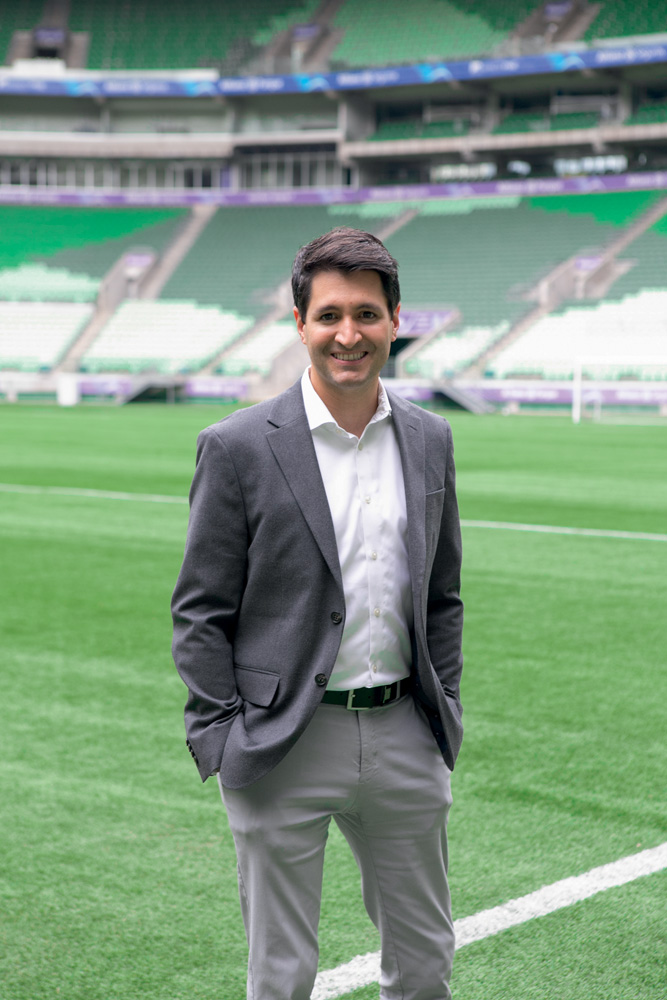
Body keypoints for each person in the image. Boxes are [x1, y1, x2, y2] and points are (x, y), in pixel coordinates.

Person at [171, 226, 464, 1000]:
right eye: (329, 315)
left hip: (404, 733)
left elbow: (442, 595)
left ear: (395, 321)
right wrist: (222, 734)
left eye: (366, 314)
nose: (348, 334)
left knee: (426, 959)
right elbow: (200, 608)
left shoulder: (430, 440)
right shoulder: (236, 445)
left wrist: (444, 715)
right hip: (281, 743)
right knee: (281, 974)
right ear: (300, 324)